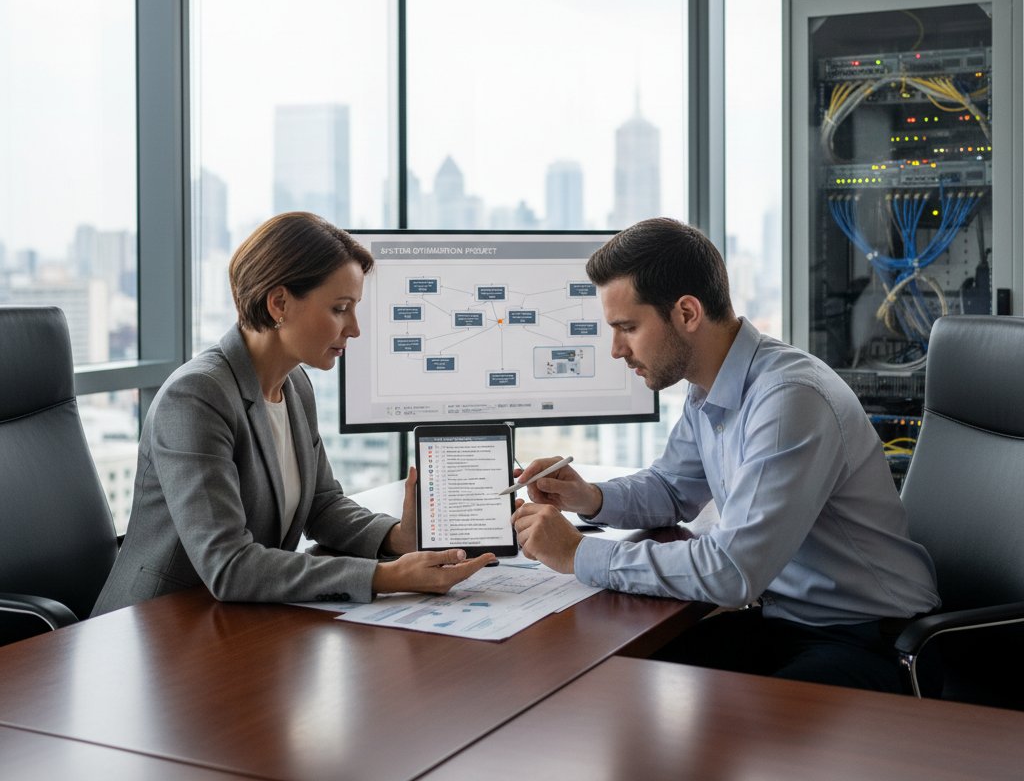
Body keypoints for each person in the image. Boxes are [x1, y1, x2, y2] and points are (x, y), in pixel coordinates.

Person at [511, 217, 939, 692]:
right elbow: (671, 489)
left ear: (687, 313)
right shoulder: (709, 386)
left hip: (869, 638)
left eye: (627, 327)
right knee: (615, 673)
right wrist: (589, 497)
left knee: (698, 714)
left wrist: (578, 553)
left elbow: (731, 571)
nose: (616, 350)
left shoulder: (788, 399)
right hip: (786, 621)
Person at [94, 212, 494, 615]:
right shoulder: (196, 396)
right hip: (157, 624)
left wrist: (396, 538)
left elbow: (321, 504)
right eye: (340, 308)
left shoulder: (295, 385)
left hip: (239, 616)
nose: (354, 328)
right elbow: (228, 565)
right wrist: (385, 577)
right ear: (279, 303)